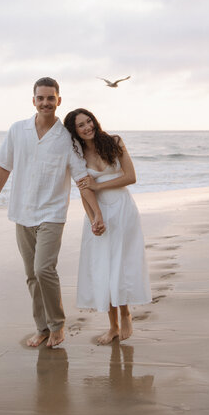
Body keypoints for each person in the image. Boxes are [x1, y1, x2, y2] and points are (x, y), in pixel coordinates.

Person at [0, 78, 105, 349]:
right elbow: (4, 166)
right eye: (41, 98)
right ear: (33, 101)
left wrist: (95, 213)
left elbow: (82, 179)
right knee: (31, 274)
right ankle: (41, 328)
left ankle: (58, 325)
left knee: (44, 269)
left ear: (58, 100)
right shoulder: (18, 130)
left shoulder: (67, 139)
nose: (45, 103)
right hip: (22, 212)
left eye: (51, 98)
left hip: (52, 213)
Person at [63, 108, 152, 345]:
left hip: (123, 209)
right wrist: (94, 218)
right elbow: (83, 190)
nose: (87, 127)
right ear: (75, 131)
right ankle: (112, 326)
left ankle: (126, 315)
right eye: (80, 125)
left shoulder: (114, 142)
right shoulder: (77, 155)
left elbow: (131, 177)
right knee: (104, 266)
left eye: (89, 121)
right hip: (98, 214)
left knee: (122, 264)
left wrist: (99, 185)